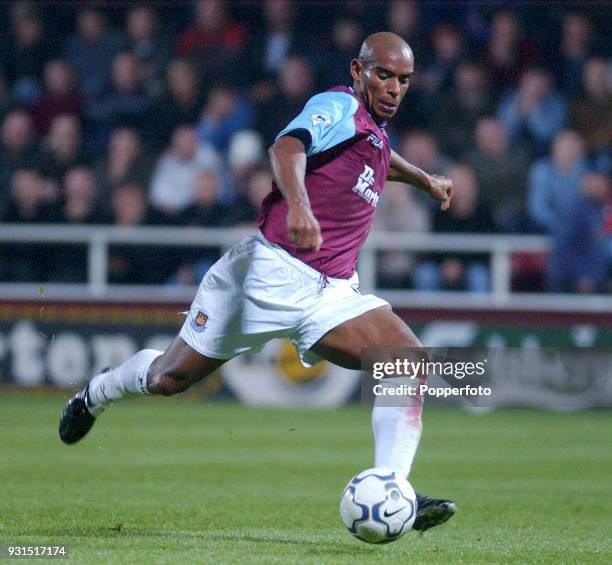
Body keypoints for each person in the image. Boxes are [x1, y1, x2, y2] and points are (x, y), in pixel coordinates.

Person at [59, 32, 456, 532]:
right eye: (384, 75)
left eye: (403, 80)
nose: (395, 88)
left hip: (329, 290)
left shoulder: (372, 129)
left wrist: (424, 179)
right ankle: (96, 393)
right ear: (358, 71)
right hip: (264, 277)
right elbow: (287, 147)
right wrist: (299, 206)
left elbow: (379, 157)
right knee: (168, 378)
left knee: (404, 360)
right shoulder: (336, 106)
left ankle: (395, 487)